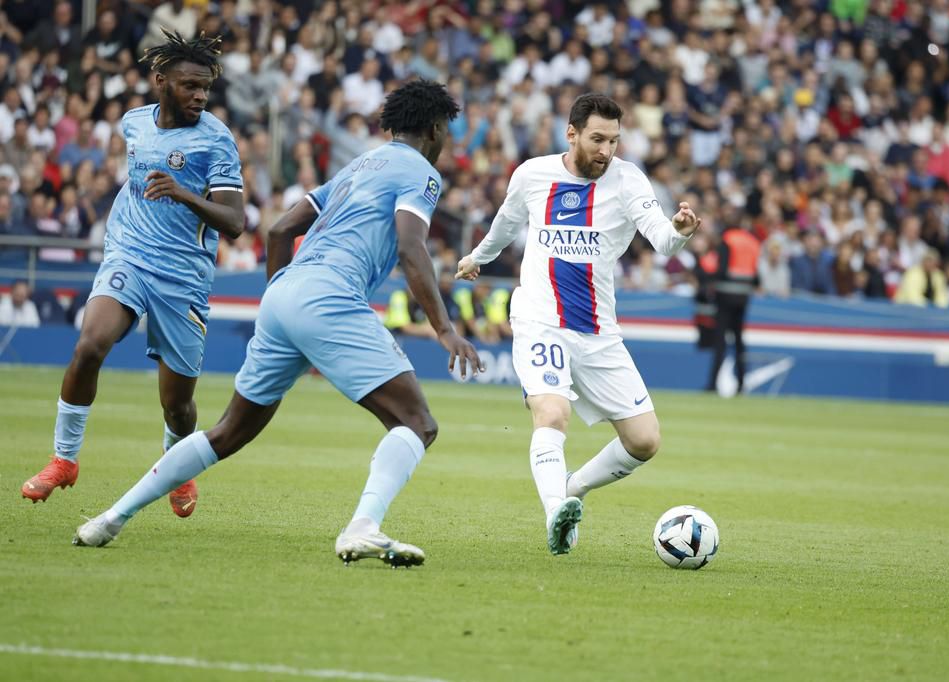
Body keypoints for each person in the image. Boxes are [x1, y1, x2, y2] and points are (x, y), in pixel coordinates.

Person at [73, 80, 483, 569]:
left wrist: (278, 298)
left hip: (285, 293)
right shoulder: (420, 171)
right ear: (437, 129)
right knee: (417, 424)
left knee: (228, 432)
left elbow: (280, 229)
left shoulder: (358, 165)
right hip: (330, 294)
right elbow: (412, 246)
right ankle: (362, 527)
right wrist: (444, 328)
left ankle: (109, 519)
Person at [455, 93, 701, 555]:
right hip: (539, 320)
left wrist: (681, 231)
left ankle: (572, 490)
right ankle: (555, 514)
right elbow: (506, 224)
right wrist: (476, 259)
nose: (606, 150)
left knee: (644, 441)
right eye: (597, 139)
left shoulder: (629, 182)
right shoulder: (532, 175)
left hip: (597, 331)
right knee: (551, 413)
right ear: (571, 133)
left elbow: (662, 240)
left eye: (613, 140)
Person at [21, 31, 245, 520]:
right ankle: (64, 459)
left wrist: (185, 194)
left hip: (183, 276)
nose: (200, 96)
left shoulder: (215, 138)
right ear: (159, 81)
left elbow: (235, 223)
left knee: (177, 407)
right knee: (89, 346)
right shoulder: (134, 123)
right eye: (189, 85)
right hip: (129, 256)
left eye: (205, 87)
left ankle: (177, 462)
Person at [705, 222, 760, 394]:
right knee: (739, 341)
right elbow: (756, 276)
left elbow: (721, 269)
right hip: (743, 297)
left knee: (720, 340)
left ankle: (713, 384)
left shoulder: (728, 240)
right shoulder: (753, 242)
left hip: (725, 295)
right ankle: (742, 383)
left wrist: (709, 279)